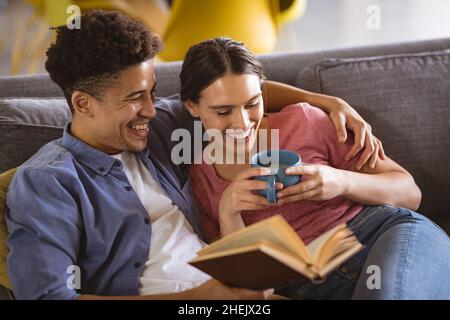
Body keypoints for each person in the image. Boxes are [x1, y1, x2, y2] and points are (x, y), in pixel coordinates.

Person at [6, 11, 382, 300]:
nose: (152, 109)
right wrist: (200, 297)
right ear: (83, 103)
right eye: (136, 99)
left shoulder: (158, 127)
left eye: (152, 92)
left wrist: (327, 101)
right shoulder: (47, 182)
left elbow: (235, 90)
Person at [183, 38, 450, 299]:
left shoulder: (303, 120)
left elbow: (410, 193)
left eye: (252, 104)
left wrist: (340, 181)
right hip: (306, 285)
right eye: (223, 111)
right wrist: (229, 212)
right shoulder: (200, 178)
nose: (242, 122)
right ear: (192, 106)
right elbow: (246, 286)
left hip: (382, 235)